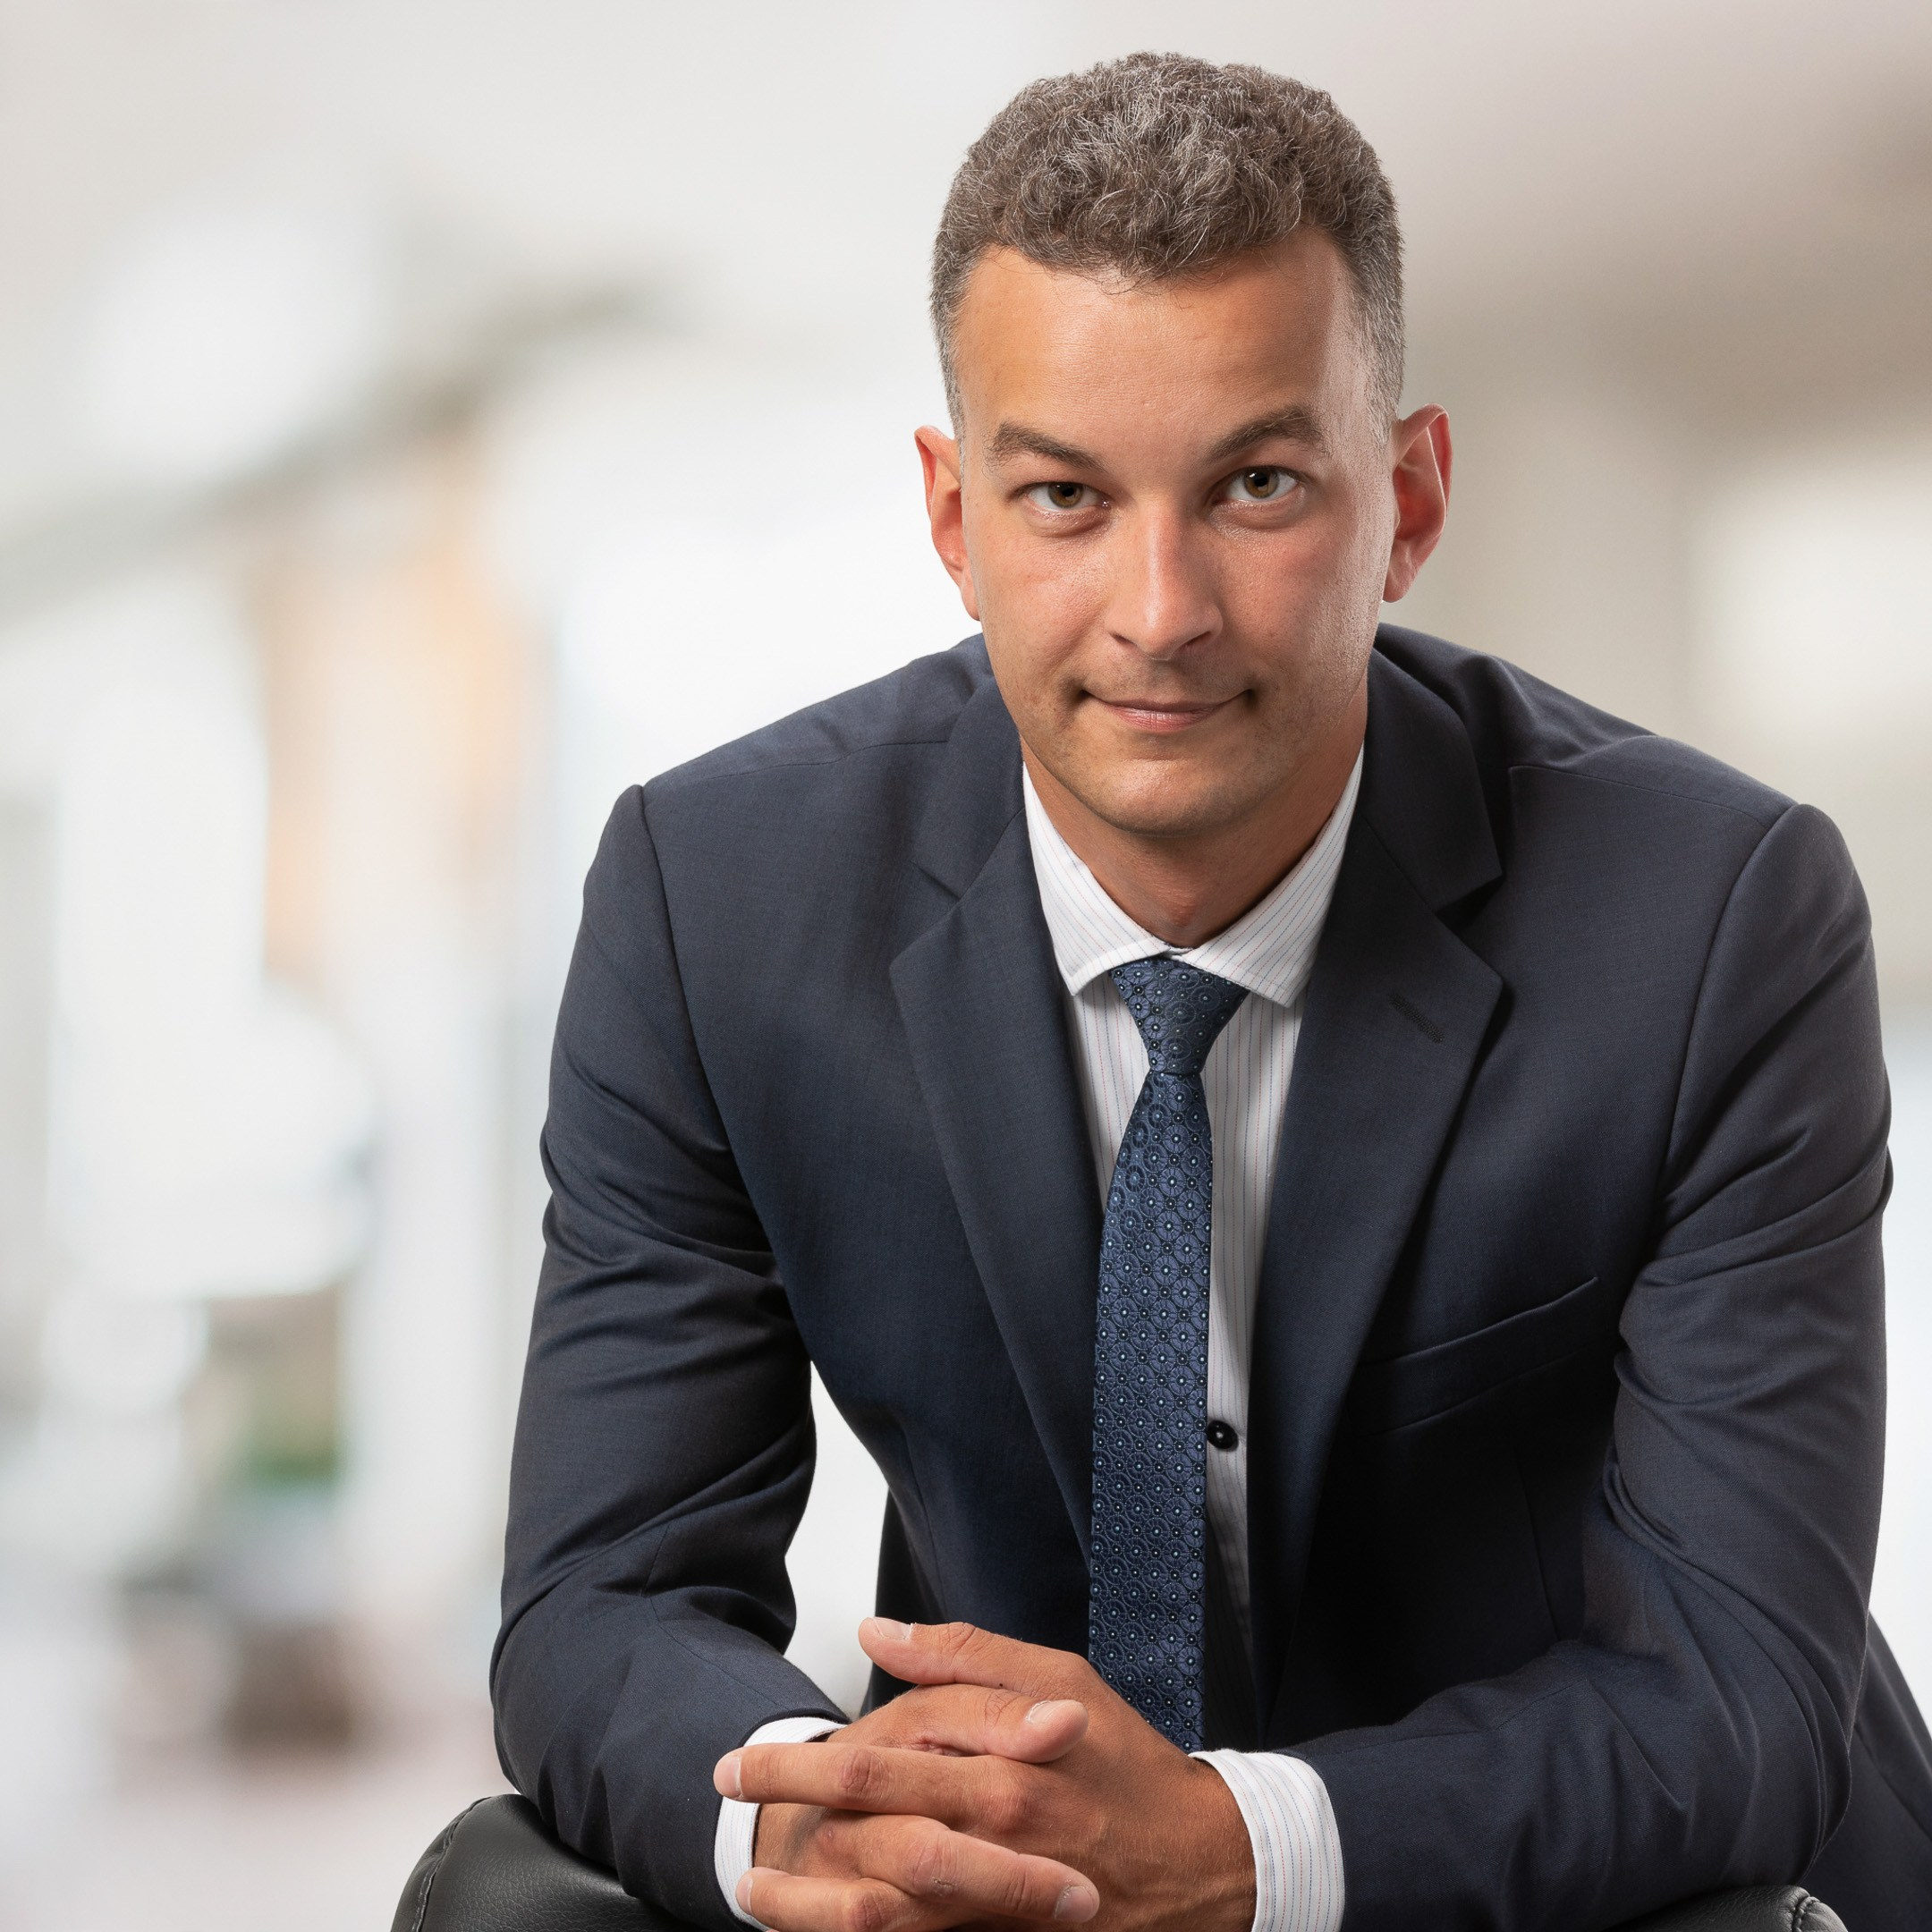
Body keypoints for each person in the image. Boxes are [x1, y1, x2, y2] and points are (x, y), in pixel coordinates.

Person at [493, 51, 1932, 1932]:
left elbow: (1739, 1700)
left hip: (1645, 1892)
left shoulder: (1715, 918)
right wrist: (812, 1818)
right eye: (1065, 497)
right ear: (955, 522)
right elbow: (602, 1601)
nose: (1161, 610)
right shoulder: (716, 903)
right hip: (1022, 1886)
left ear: (1405, 501)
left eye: (1256, 485)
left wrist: (1240, 1846)